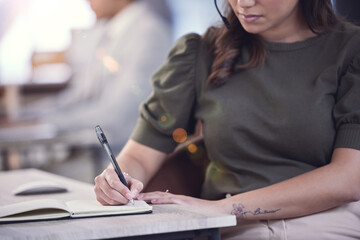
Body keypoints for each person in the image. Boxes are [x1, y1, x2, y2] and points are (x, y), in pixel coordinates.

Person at [94, 0, 360, 239]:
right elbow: (140, 156)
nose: (243, 3)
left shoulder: (350, 51)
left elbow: (349, 178)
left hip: (328, 220)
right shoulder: (200, 53)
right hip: (230, 227)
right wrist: (117, 181)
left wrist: (218, 208)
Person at [21, 0, 172, 148]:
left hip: (122, 153)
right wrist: (29, 115)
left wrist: (47, 121)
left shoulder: (149, 34)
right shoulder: (107, 31)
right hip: (95, 145)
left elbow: (117, 114)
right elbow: (81, 94)